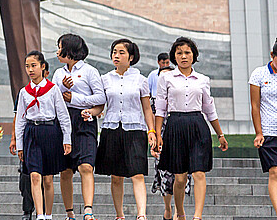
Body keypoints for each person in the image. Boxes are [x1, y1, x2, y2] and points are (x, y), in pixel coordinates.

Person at [155, 36, 228, 220]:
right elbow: (160, 108)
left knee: (198, 173)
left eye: (187, 52)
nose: (183, 56)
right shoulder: (165, 78)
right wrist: (157, 134)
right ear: (174, 56)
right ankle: (180, 213)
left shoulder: (203, 79)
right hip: (175, 125)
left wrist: (220, 134)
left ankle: (197, 216)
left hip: (197, 126)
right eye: (179, 53)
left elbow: (209, 108)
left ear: (194, 55)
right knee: (180, 177)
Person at [84, 39, 157, 220]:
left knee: (137, 173)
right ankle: (119, 215)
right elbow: (100, 106)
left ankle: (141, 215)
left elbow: (147, 109)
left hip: (135, 130)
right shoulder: (105, 79)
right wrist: (90, 112)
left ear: (131, 57)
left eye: (121, 52)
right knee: (116, 176)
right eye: (114, 52)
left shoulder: (141, 80)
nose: (116, 56)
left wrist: (151, 131)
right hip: (111, 129)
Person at [13, 51, 72, 220]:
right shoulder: (24, 92)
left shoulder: (53, 89)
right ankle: (39, 214)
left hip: (50, 132)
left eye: (34, 66)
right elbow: (20, 120)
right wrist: (19, 145)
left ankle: (48, 214)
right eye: (27, 66)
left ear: (42, 66)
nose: (30, 70)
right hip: (32, 133)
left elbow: (63, 116)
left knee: (48, 179)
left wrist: (67, 139)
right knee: (34, 175)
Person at [52, 34, 105, 220]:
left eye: (60, 47)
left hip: (84, 120)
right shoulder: (58, 74)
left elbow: (101, 97)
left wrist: (75, 98)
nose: (57, 51)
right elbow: (52, 97)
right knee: (65, 170)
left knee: (86, 166)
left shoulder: (90, 71)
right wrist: (62, 89)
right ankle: (70, 213)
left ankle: (88, 210)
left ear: (70, 49)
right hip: (63, 121)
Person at [149, 64, 187, 220]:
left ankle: (179, 210)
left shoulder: (182, 97)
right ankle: (167, 208)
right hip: (162, 140)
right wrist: (153, 141)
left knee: (181, 176)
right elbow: (150, 122)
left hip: (180, 140)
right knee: (165, 176)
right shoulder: (154, 101)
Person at [250, 38, 277, 215]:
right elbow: (255, 106)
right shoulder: (259, 74)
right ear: (272, 55)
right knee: (274, 172)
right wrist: (259, 133)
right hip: (269, 132)